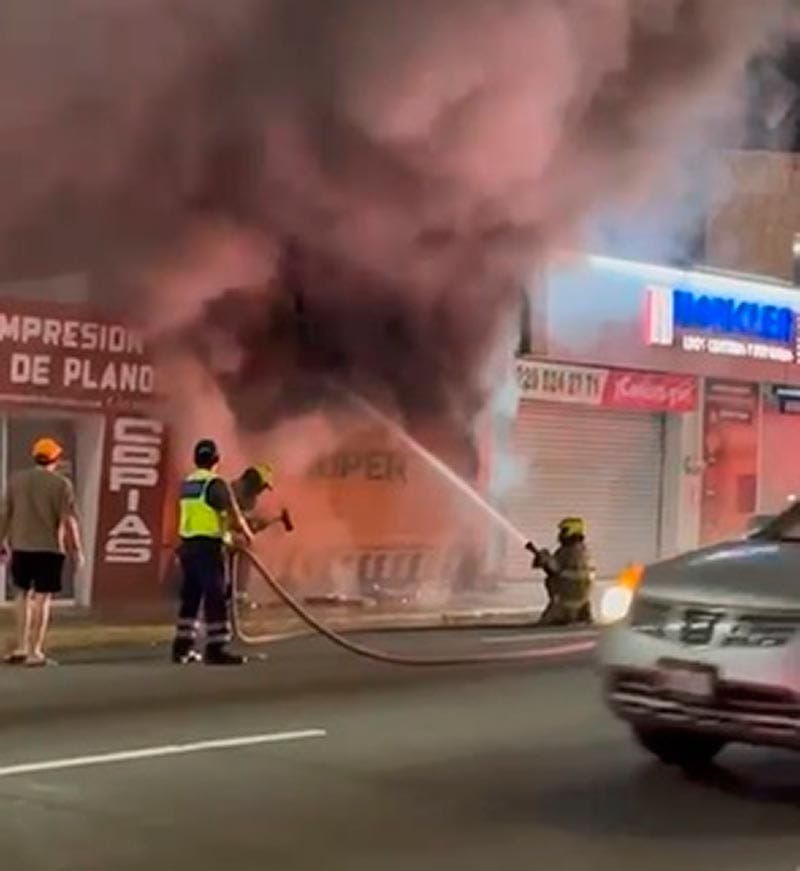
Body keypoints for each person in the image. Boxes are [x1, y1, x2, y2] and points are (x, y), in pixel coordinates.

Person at [1, 437, 85, 666]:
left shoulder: (16, 480)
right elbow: (69, 521)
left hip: (21, 546)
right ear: (55, 459)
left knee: (21, 596)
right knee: (42, 598)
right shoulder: (61, 485)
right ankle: (34, 651)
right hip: (49, 548)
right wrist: (77, 550)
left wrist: (1, 541)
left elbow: (5, 512)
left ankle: (20, 645)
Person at [172, 439, 254, 666]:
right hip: (208, 548)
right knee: (215, 596)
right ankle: (216, 648)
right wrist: (247, 534)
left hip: (188, 547)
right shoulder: (215, 484)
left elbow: (201, 514)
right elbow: (232, 512)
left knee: (191, 598)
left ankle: (181, 648)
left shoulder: (187, 483)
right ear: (216, 459)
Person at [227, 462, 293, 607]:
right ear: (255, 482)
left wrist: (257, 524)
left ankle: (237, 592)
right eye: (263, 486)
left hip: (232, 532)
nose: (263, 490)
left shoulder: (251, 497)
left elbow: (245, 521)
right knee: (243, 546)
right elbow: (233, 516)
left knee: (244, 544)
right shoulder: (236, 489)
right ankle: (235, 593)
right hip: (221, 532)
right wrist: (252, 524)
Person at [528, 517, 594, 626]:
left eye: (564, 531)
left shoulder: (570, 551)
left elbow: (555, 568)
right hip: (580, 604)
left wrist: (545, 558)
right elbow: (558, 571)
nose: (560, 535)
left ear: (572, 531)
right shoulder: (582, 550)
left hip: (563, 605)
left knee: (542, 628)